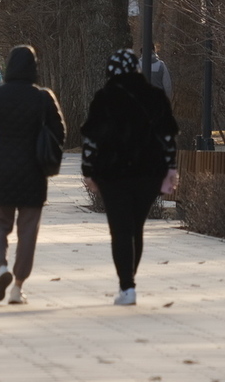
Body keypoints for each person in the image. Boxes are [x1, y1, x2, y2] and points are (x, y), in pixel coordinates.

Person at [81, 48, 179, 306]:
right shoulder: (155, 97)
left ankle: (127, 286)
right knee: (136, 227)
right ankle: (129, 279)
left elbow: (91, 139)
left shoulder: (103, 98)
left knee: (120, 230)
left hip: (112, 174)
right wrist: (171, 168)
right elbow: (167, 138)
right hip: (148, 173)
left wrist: (88, 171)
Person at [0, 44, 65, 306]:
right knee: (28, 232)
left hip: (0, 171)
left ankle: (1, 268)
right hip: (33, 172)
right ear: (34, 67)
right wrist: (45, 156)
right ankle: (18, 287)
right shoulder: (43, 97)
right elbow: (60, 133)